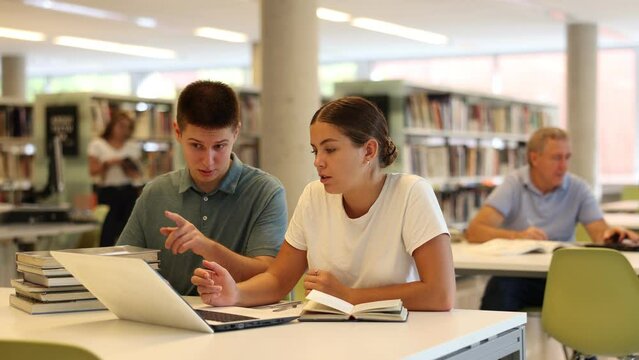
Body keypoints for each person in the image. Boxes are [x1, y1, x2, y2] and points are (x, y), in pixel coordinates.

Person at [191, 96, 455, 310]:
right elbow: (278, 279)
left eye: (330, 149)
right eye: (315, 150)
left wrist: (348, 295)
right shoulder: (313, 196)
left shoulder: (411, 193)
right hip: (326, 338)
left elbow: (440, 293)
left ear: (369, 151)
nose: (318, 161)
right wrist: (235, 293)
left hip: (396, 341)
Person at [116, 80, 288, 295]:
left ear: (236, 132)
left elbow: (272, 278)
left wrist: (207, 247)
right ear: (177, 132)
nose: (208, 161)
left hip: (245, 324)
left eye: (219, 146)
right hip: (172, 321)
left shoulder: (266, 192)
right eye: (196, 145)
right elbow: (121, 267)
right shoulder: (155, 192)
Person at [466, 127, 639, 311]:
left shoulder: (578, 188)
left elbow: (599, 233)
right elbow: (475, 231)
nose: (564, 166)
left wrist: (612, 235)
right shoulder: (513, 185)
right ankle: (500, 340)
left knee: (607, 289)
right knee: (500, 288)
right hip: (520, 276)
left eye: (567, 157)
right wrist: (519, 236)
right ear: (534, 158)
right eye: (556, 158)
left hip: (565, 276)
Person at [88, 111, 142, 247]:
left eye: (127, 127)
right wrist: (108, 163)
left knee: (128, 228)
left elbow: (136, 174)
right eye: (121, 126)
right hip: (108, 191)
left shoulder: (132, 146)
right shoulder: (98, 144)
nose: (124, 131)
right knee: (107, 229)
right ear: (112, 126)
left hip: (127, 190)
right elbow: (92, 171)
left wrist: (125, 164)